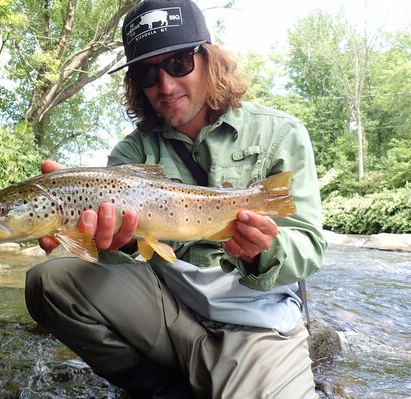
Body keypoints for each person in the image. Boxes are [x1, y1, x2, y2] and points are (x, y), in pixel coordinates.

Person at [25, 0, 326, 397]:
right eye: (147, 73)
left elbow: (309, 246)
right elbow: (118, 260)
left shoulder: (279, 133)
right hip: (170, 310)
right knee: (50, 280)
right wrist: (113, 244)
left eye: (179, 63)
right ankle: (162, 390)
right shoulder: (130, 154)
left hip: (254, 321)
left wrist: (259, 252)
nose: (165, 85)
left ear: (210, 60)